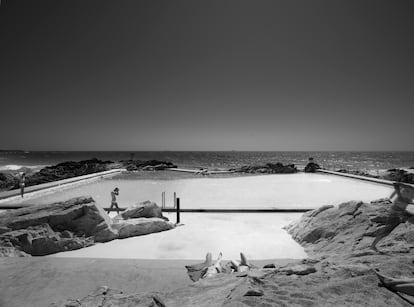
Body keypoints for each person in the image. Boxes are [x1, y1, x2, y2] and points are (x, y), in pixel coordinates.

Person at [371, 182, 414, 252]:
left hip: (402, 212)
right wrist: (397, 188)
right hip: (395, 213)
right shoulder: (404, 194)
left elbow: (401, 185)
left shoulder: (410, 189)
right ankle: (373, 246)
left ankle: (373, 245)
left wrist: (399, 185)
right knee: (387, 230)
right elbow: (398, 189)